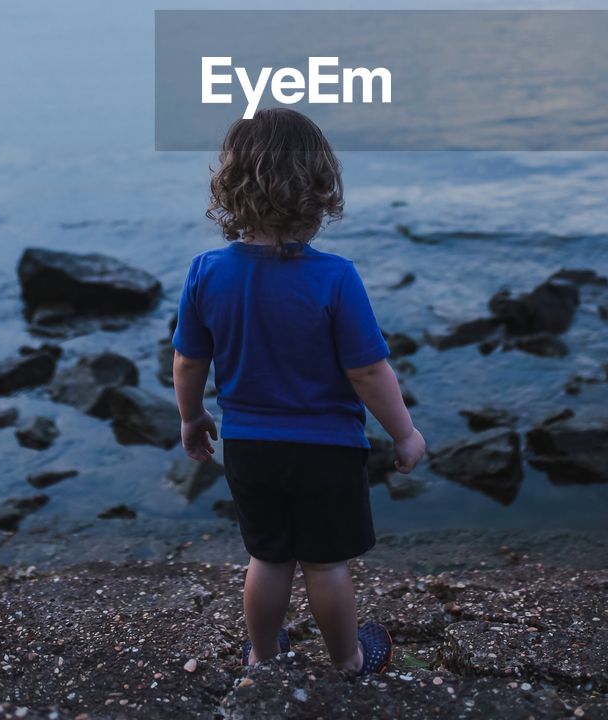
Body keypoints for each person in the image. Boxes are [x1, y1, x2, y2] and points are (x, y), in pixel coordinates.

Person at [172, 108, 427, 675]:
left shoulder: (205, 272)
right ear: (318, 192)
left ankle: (264, 656)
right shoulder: (335, 277)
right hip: (327, 451)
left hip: (250, 448)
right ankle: (347, 661)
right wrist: (404, 433)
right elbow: (368, 373)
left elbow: (189, 361)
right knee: (326, 564)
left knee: (267, 559)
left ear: (232, 190)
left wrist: (191, 418)